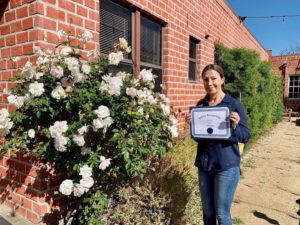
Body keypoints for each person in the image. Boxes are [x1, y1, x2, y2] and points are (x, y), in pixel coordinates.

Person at [194, 64, 250, 225]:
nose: (209, 83)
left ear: (222, 80)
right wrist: (193, 127)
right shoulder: (201, 106)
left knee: (222, 213)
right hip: (205, 165)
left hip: (226, 166)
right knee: (208, 212)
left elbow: (245, 136)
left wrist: (235, 127)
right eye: (206, 79)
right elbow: (199, 138)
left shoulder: (233, 105)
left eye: (213, 78)